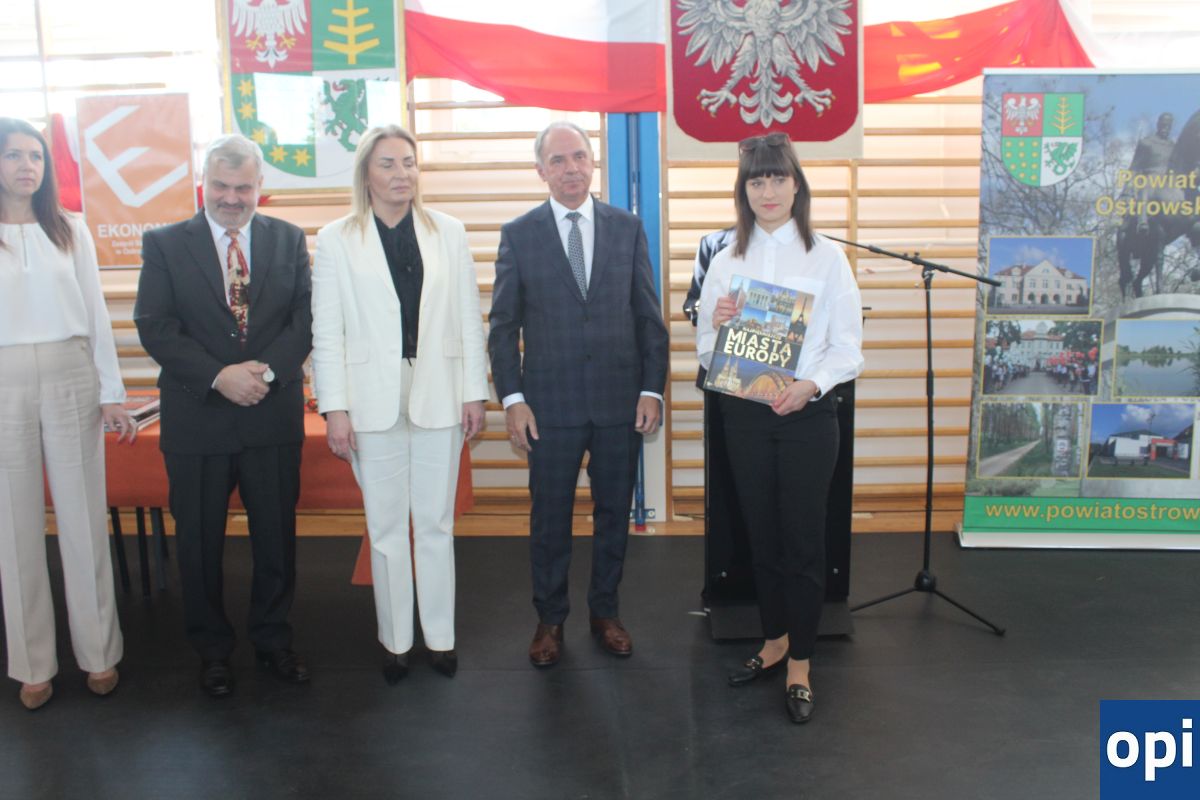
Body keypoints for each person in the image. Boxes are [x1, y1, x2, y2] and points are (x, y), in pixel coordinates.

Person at [134, 133, 313, 698]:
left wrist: (263, 375)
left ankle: (273, 640)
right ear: (202, 183)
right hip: (198, 418)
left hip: (270, 414)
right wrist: (220, 376)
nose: (231, 198)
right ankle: (212, 651)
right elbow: (155, 325)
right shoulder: (164, 244)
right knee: (199, 543)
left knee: (276, 540)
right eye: (221, 186)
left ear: (261, 187)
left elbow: (305, 322)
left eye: (243, 187)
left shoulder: (289, 239)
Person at [311, 126, 488, 683]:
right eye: (387, 163)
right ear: (366, 173)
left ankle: (440, 637)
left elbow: (468, 317)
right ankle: (395, 641)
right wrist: (334, 408)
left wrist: (474, 391)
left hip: (440, 393)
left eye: (409, 162)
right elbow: (327, 332)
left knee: (435, 524)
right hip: (369, 401)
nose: (401, 173)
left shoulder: (448, 232)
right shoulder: (336, 239)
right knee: (386, 529)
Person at [488, 121, 669, 668]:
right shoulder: (519, 234)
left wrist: (651, 389)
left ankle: (605, 612)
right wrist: (513, 399)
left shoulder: (627, 228)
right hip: (549, 406)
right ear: (540, 171)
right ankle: (550, 619)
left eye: (579, 157)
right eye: (558, 160)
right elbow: (503, 326)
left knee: (614, 514)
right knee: (550, 519)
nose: (571, 169)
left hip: (620, 402)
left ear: (593, 162)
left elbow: (648, 315)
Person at [696, 132, 863, 724]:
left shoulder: (827, 257)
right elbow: (706, 350)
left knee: (802, 541)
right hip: (744, 415)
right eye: (756, 180)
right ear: (744, 191)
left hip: (808, 416)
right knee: (760, 537)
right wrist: (718, 327)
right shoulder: (726, 260)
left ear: (797, 185)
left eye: (777, 178)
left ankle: (801, 662)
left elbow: (848, 348)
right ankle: (773, 640)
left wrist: (810, 384)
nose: (767, 190)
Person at [0, 117, 134, 710]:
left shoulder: (70, 229)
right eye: (13, 155)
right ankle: (33, 664)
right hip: (4, 377)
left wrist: (112, 391)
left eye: (35, 156)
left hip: (70, 371)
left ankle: (99, 652)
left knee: (82, 516)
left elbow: (97, 315)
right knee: (14, 526)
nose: (26, 166)